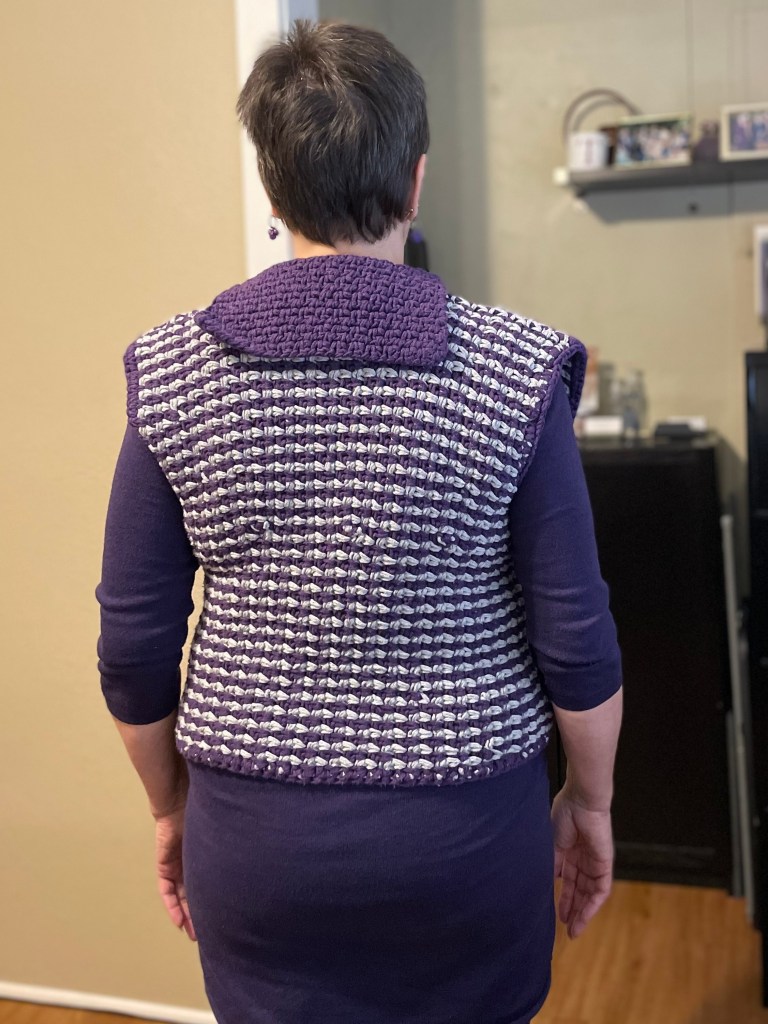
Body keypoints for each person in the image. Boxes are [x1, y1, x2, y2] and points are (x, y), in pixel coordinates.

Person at [96, 19, 622, 1024]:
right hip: (467, 843)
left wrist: (172, 808)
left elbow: (132, 647)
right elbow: (579, 642)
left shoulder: (169, 375)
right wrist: (590, 807)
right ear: (416, 180)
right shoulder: (517, 371)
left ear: (271, 181)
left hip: (256, 849)